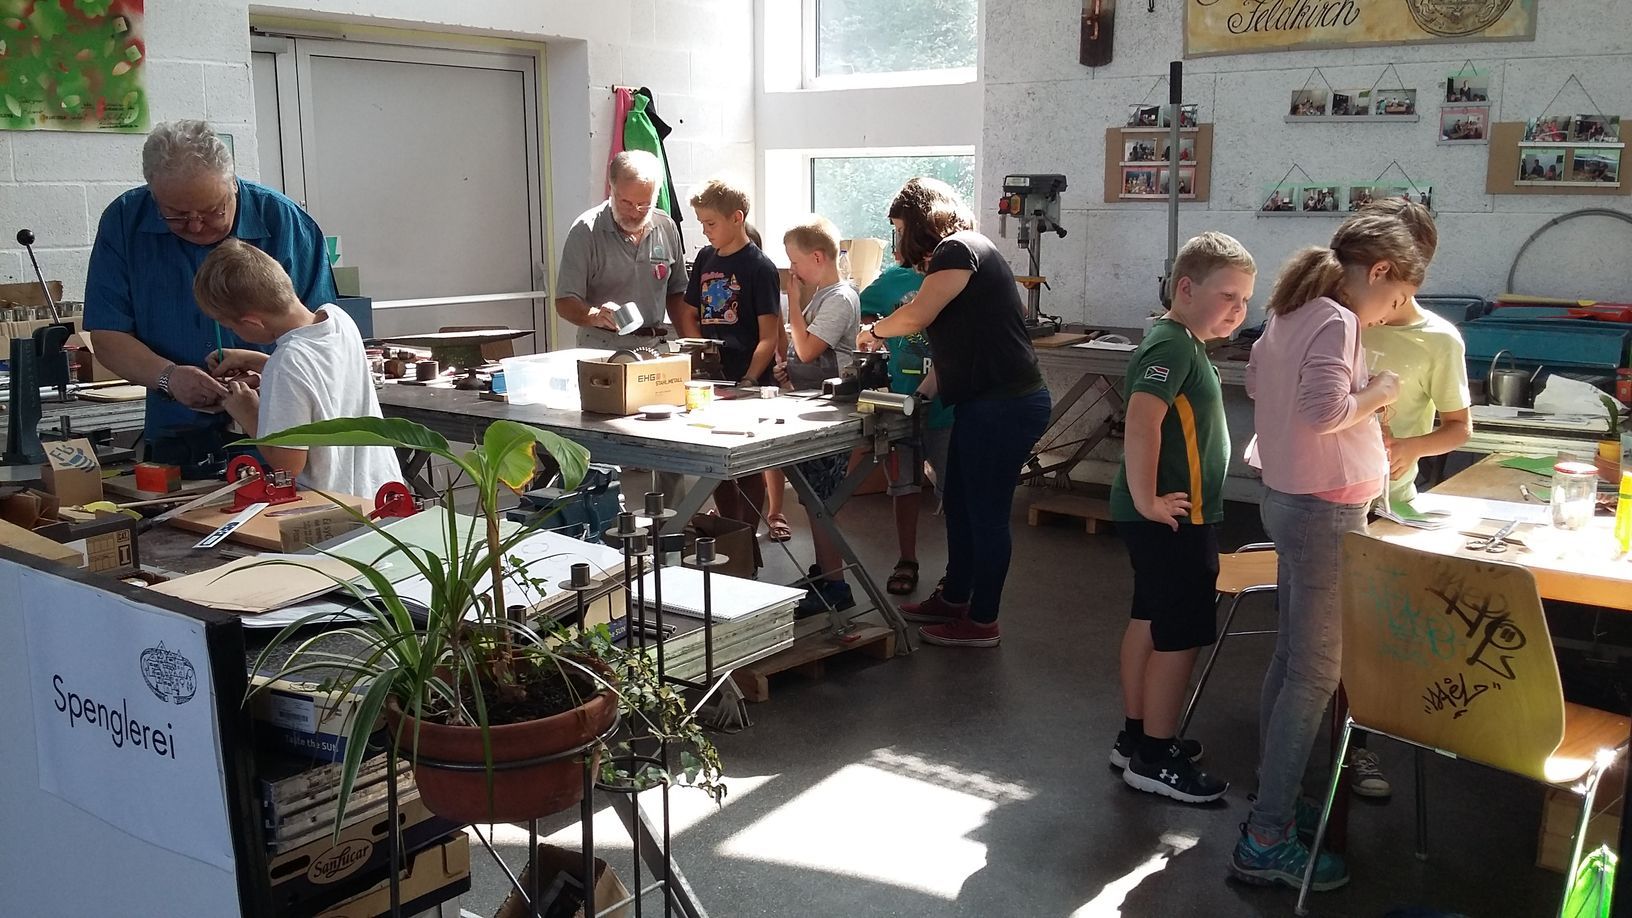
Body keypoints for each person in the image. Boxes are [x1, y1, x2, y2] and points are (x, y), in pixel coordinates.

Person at [1229, 212, 1425, 893]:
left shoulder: (1292, 310)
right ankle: (1266, 835)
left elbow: (1258, 385)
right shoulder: (1338, 319)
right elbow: (1322, 413)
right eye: (1396, 297)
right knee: (1315, 674)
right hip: (1325, 510)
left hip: (1292, 498)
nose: (1390, 312)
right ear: (1379, 272)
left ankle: (1276, 797)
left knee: (1293, 661)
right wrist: (1379, 392)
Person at [857, 177, 1051, 648]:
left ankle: (982, 621)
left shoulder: (958, 250)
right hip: (983, 403)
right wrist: (918, 400)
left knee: (985, 515)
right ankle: (955, 597)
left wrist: (874, 333)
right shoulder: (959, 258)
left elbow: (916, 316)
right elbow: (955, 353)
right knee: (961, 507)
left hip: (1005, 405)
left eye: (899, 227)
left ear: (919, 222)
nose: (897, 238)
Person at [84, 120, 336, 477]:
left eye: (212, 211)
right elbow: (107, 335)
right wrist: (169, 378)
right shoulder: (124, 222)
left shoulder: (287, 223)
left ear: (232, 184)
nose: (196, 225)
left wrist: (268, 376)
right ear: (153, 194)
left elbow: (318, 341)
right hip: (177, 437)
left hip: (279, 436)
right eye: (176, 215)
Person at [1110, 232, 1256, 805]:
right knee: (1180, 635)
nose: (1239, 310)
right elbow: (1142, 420)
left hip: (1169, 515)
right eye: (1228, 296)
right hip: (1173, 518)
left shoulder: (1186, 344)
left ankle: (1137, 735)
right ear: (1187, 288)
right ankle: (1154, 756)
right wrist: (1147, 499)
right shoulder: (1172, 347)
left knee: (1150, 618)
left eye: (1246, 300)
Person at [1347, 199, 1467, 800]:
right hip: (1329, 499)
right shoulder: (1344, 317)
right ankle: (1313, 737)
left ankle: (1359, 746)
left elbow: (1459, 428)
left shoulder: (1438, 339)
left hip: (1387, 506)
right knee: (1326, 635)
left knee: (1374, 635)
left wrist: (1411, 448)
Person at [196, 240, 402, 499]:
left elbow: (288, 465)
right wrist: (257, 360)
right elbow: (320, 378)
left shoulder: (286, 364)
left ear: (252, 322)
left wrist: (248, 412)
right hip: (383, 492)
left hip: (339, 507)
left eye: (231, 326)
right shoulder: (337, 319)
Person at [683, 179, 781, 542]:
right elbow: (690, 312)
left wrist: (750, 379)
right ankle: (729, 534)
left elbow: (769, 336)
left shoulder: (760, 267)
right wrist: (698, 351)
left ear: (736, 218)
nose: (705, 231)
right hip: (711, 378)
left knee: (749, 464)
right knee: (715, 462)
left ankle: (746, 537)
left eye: (710, 223)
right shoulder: (705, 259)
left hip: (748, 379)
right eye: (701, 223)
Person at [777, 217, 861, 616]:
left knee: (820, 502)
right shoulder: (823, 297)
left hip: (832, 415)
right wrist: (789, 368)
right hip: (812, 405)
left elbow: (810, 349)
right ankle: (824, 573)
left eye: (795, 262)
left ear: (817, 257)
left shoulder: (839, 299)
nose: (792, 271)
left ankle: (836, 585)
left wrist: (792, 302)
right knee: (812, 499)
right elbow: (802, 351)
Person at [860, 260, 954, 597]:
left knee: (954, 492)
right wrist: (874, 333)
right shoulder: (892, 280)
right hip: (902, 405)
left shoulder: (952, 277)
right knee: (904, 487)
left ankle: (957, 568)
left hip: (948, 409)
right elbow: (862, 307)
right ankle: (906, 559)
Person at [555, 150, 692, 350]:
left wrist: (692, 344)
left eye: (644, 205)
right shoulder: (586, 230)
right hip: (601, 347)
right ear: (611, 189)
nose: (634, 213)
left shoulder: (666, 226)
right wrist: (594, 315)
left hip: (654, 346)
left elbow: (676, 293)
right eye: (626, 203)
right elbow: (564, 302)